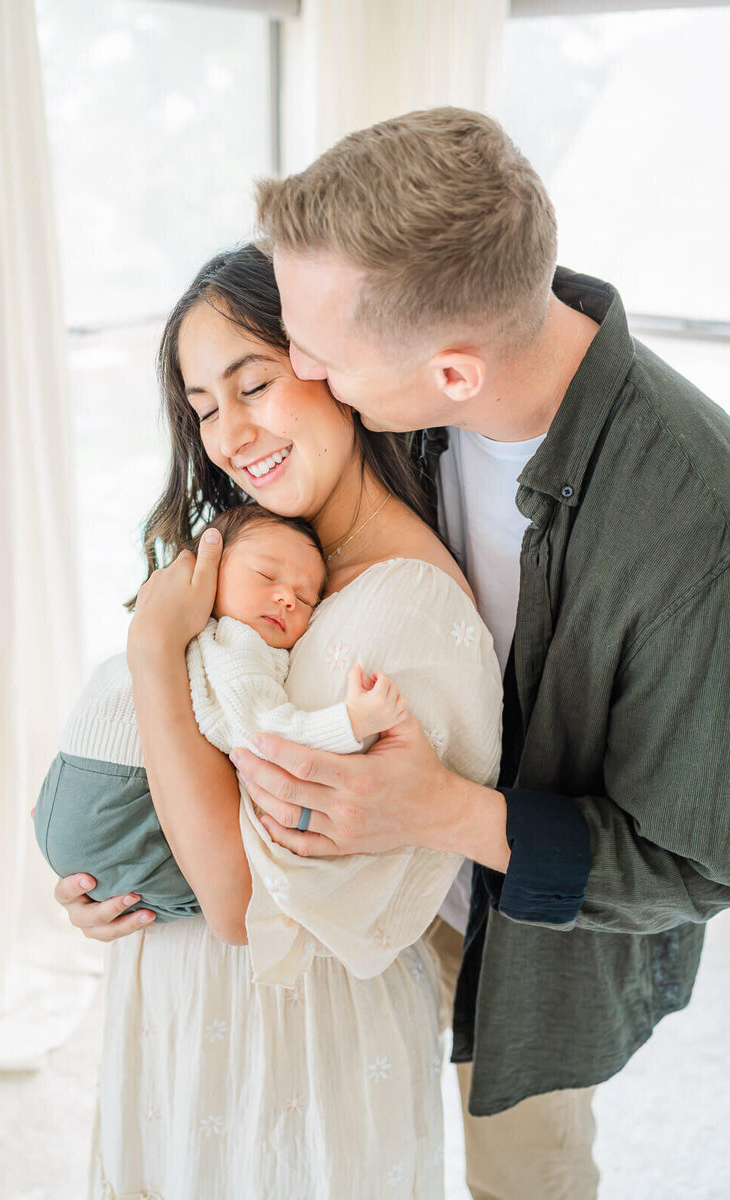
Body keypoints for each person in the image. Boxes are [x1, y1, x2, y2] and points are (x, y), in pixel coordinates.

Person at [211, 106, 728, 1199]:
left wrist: (436, 811)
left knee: (523, 1175)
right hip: (369, 899)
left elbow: (695, 864)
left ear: (452, 376)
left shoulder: (697, 524)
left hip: (537, 942)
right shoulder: (404, 379)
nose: (299, 368)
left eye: (319, 352)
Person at [55, 243, 504, 1198]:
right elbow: (179, 764)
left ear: (331, 362)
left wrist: (153, 652)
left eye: (252, 384)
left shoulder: (403, 608)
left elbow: (238, 901)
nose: (228, 434)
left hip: (291, 1040)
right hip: (181, 997)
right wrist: (106, 856)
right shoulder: (261, 551)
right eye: (203, 408)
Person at [34, 503, 409, 923]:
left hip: (66, 797)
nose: (287, 598)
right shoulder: (235, 644)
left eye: (306, 599)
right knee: (248, 891)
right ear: (206, 572)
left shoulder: (179, 631)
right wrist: (352, 722)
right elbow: (265, 737)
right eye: (265, 575)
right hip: (119, 800)